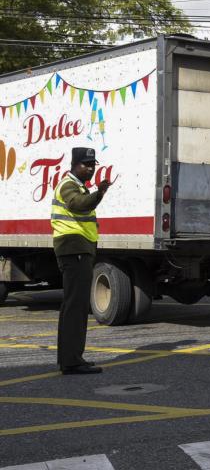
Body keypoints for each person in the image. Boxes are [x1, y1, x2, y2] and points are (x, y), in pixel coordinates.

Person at [52, 147, 111, 375]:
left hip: (78, 250)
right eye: (85, 164)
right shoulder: (68, 185)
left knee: (75, 306)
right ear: (74, 165)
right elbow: (77, 204)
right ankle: (71, 361)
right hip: (73, 249)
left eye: (92, 164)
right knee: (74, 307)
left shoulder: (78, 185)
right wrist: (99, 194)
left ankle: (73, 358)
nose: (90, 168)